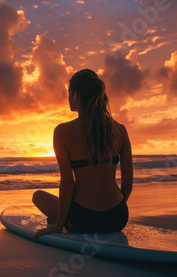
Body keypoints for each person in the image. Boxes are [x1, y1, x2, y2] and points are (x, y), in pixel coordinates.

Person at [33, 69, 133, 237]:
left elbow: (67, 184)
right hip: (118, 217)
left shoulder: (62, 132)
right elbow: (128, 184)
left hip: (83, 220)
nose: (68, 98)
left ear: (76, 96)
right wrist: (111, 212)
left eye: (69, 93)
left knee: (38, 196)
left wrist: (59, 224)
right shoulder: (120, 130)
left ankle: (58, 217)